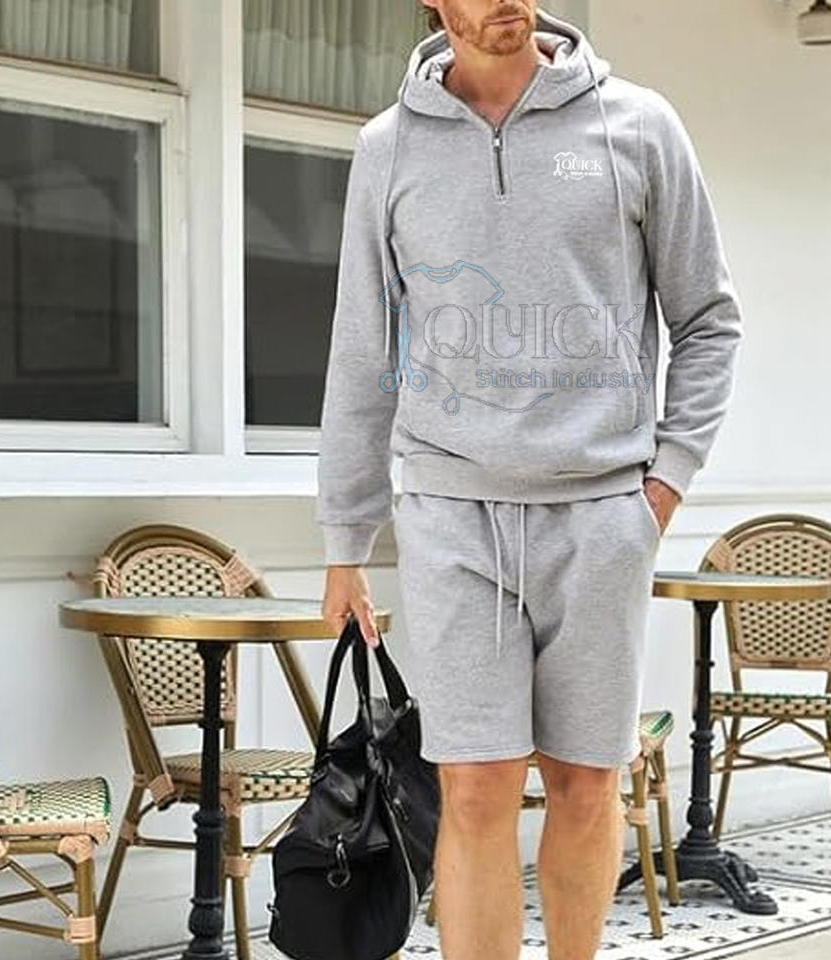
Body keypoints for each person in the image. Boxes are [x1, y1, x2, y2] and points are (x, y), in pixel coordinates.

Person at [317, 2, 743, 957]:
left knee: (587, 783)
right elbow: (361, 348)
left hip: (601, 515)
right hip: (452, 516)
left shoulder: (639, 126)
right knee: (474, 788)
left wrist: (662, 486)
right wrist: (346, 538)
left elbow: (708, 320)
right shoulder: (389, 148)